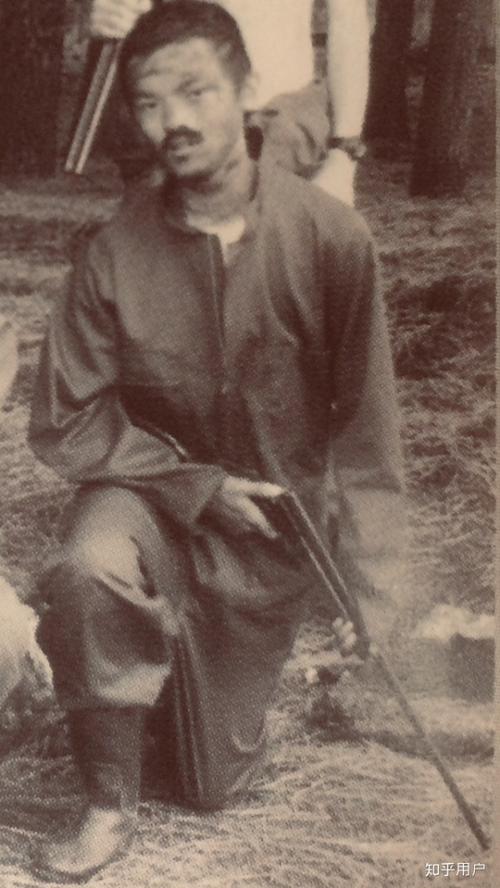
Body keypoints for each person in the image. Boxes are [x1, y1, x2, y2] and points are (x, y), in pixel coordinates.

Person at [29, 2, 404, 882]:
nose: (175, 121)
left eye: (196, 92)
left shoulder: (332, 239)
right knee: (89, 567)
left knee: (209, 786)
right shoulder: (111, 252)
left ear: (248, 89)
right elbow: (65, 419)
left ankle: (161, 672)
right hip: (148, 506)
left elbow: (367, 438)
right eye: (150, 103)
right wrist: (196, 486)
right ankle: (106, 798)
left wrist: (373, 595)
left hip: (263, 550)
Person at [88, 0, 370, 205]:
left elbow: (348, 22)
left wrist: (343, 157)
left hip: (283, 127)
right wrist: (106, 15)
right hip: (180, 123)